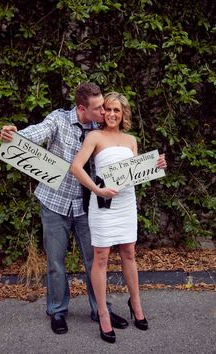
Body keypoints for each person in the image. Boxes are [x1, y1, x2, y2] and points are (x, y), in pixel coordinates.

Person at [0, 83, 128, 335]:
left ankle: (100, 308)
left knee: (95, 260)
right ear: (82, 108)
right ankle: (57, 311)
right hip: (54, 203)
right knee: (56, 263)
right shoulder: (58, 119)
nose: (104, 111)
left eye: (104, 106)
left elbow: (119, 154)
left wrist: (152, 165)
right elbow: (38, 132)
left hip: (87, 206)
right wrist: (15, 135)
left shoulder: (100, 128)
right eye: (98, 108)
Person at [71, 92, 167, 343]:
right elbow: (75, 167)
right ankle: (103, 313)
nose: (112, 114)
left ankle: (136, 304)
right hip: (103, 203)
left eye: (117, 110)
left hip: (126, 203)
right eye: (108, 109)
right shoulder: (94, 136)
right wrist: (96, 189)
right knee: (101, 258)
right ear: (103, 112)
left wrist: (156, 166)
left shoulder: (131, 140)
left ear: (124, 113)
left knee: (129, 253)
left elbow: (136, 172)